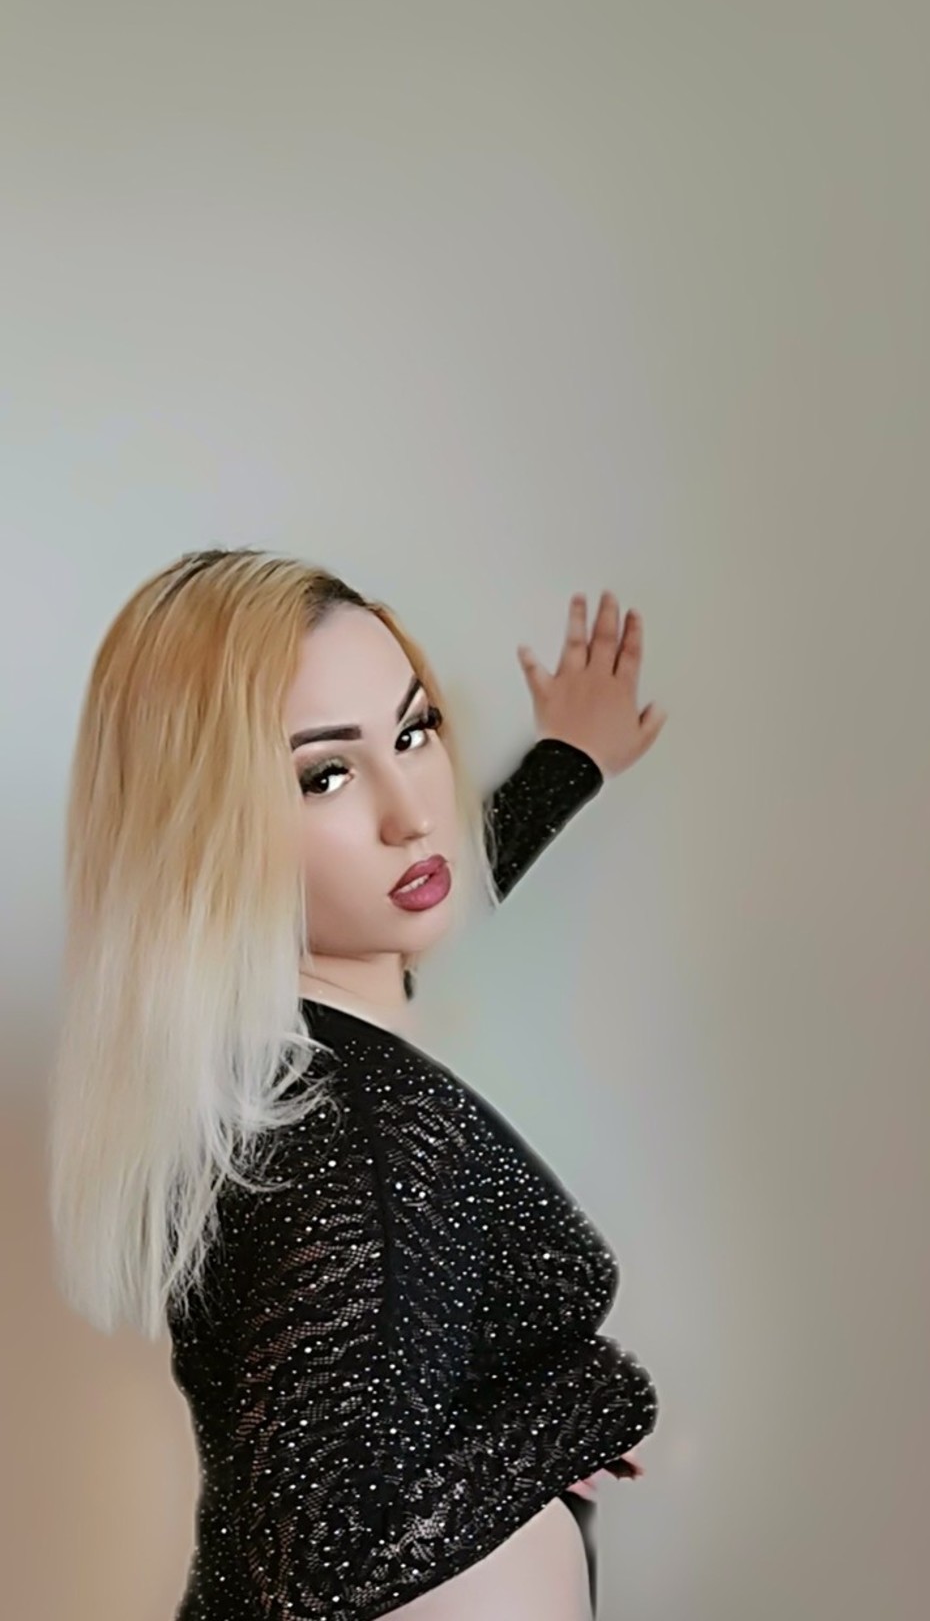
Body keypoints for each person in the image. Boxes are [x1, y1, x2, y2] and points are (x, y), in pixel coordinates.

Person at [46, 546, 668, 1620]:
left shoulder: (274, 1044)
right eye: (323, 775)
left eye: (414, 731)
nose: (412, 812)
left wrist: (571, 758)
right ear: (210, 834)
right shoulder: (343, 1127)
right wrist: (590, 1401)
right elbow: (326, 1551)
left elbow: (439, 873)